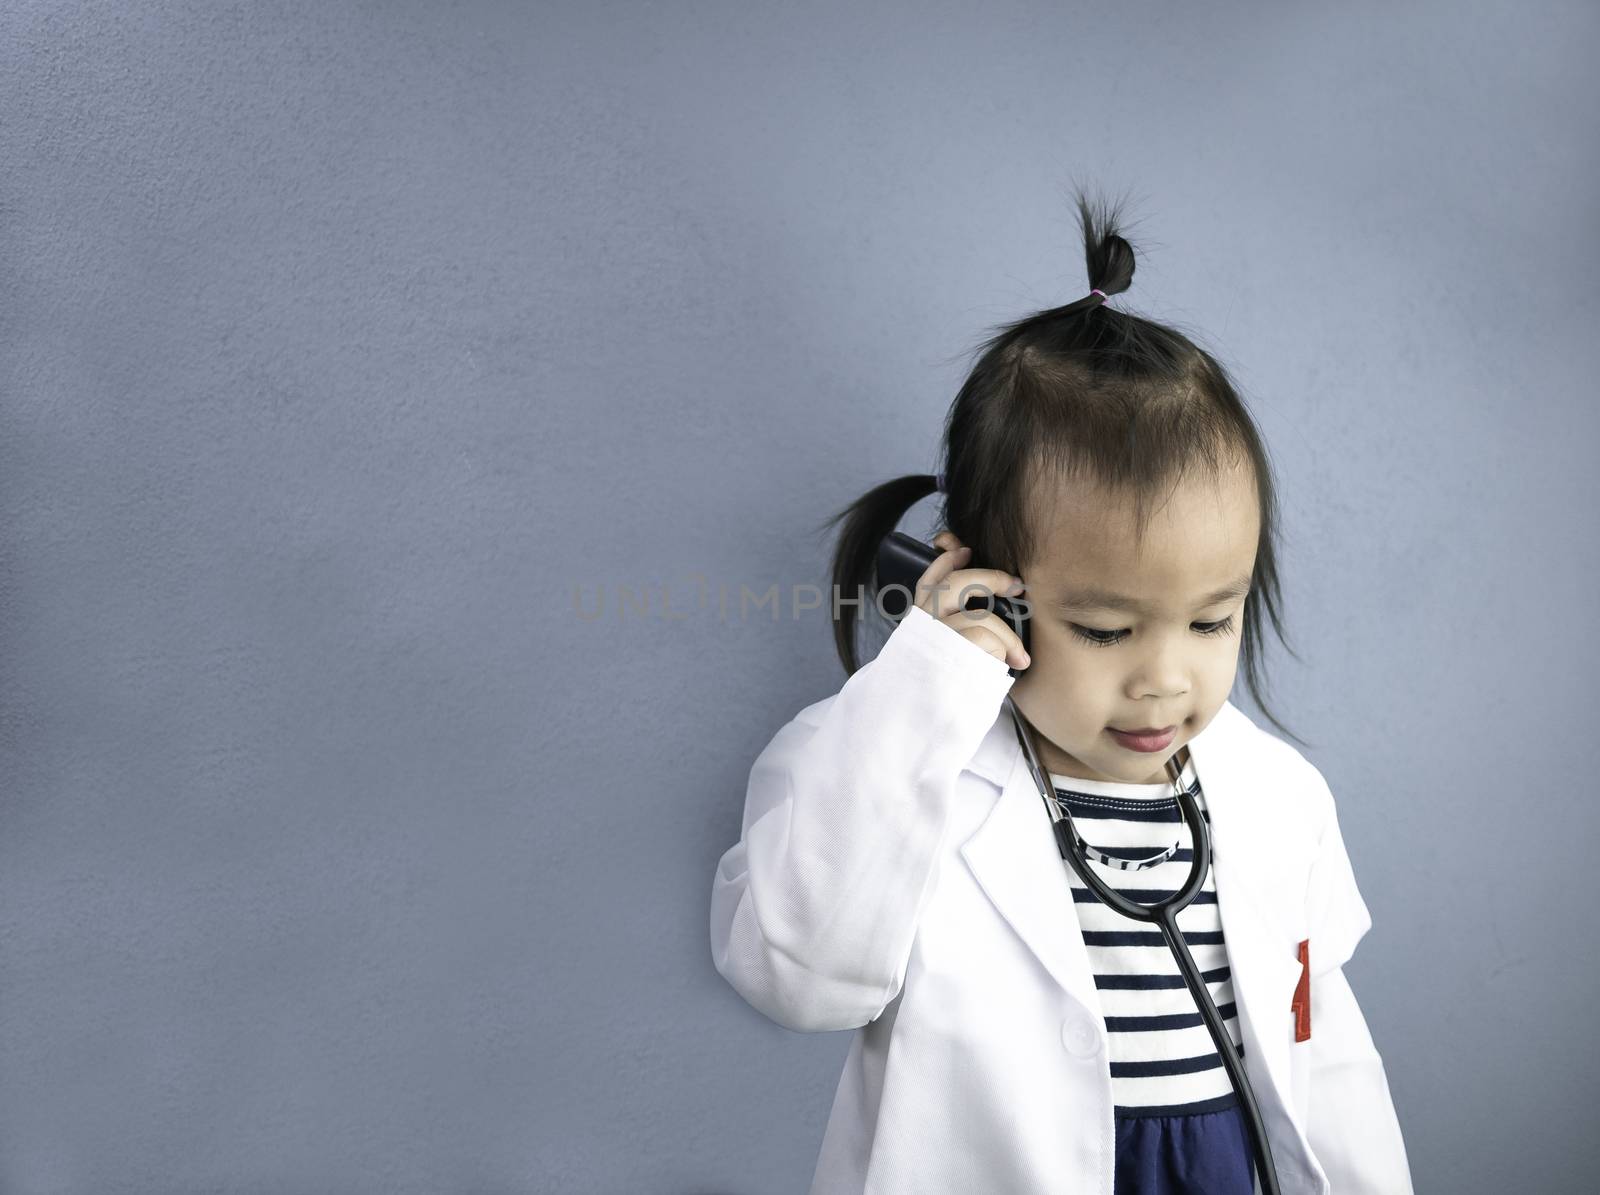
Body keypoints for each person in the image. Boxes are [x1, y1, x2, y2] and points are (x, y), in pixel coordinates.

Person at [708, 188, 1413, 1194]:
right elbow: (797, 977)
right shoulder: (894, 765)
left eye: (1212, 619)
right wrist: (922, 686)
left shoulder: (1278, 796)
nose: (1165, 678)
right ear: (992, 589)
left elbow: (1318, 1035)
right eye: (1104, 628)